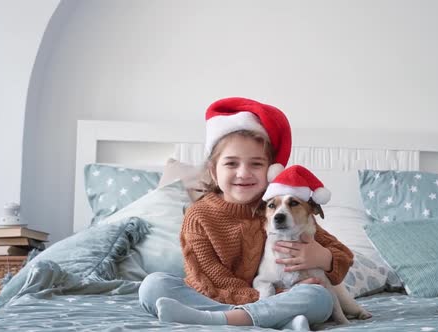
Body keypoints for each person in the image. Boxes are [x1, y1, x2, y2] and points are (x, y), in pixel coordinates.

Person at [138, 97, 354, 330]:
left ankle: (234, 318)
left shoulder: (277, 212)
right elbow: (211, 279)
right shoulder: (198, 216)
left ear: (271, 171)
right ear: (213, 169)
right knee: (153, 286)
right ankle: (268, 318)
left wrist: (322, 257)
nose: (243, 173)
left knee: (317, 296)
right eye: (231, 164)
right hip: (218, 295)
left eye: (256, 164)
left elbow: (343, 255)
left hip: (271, 297)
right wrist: (273, 297)